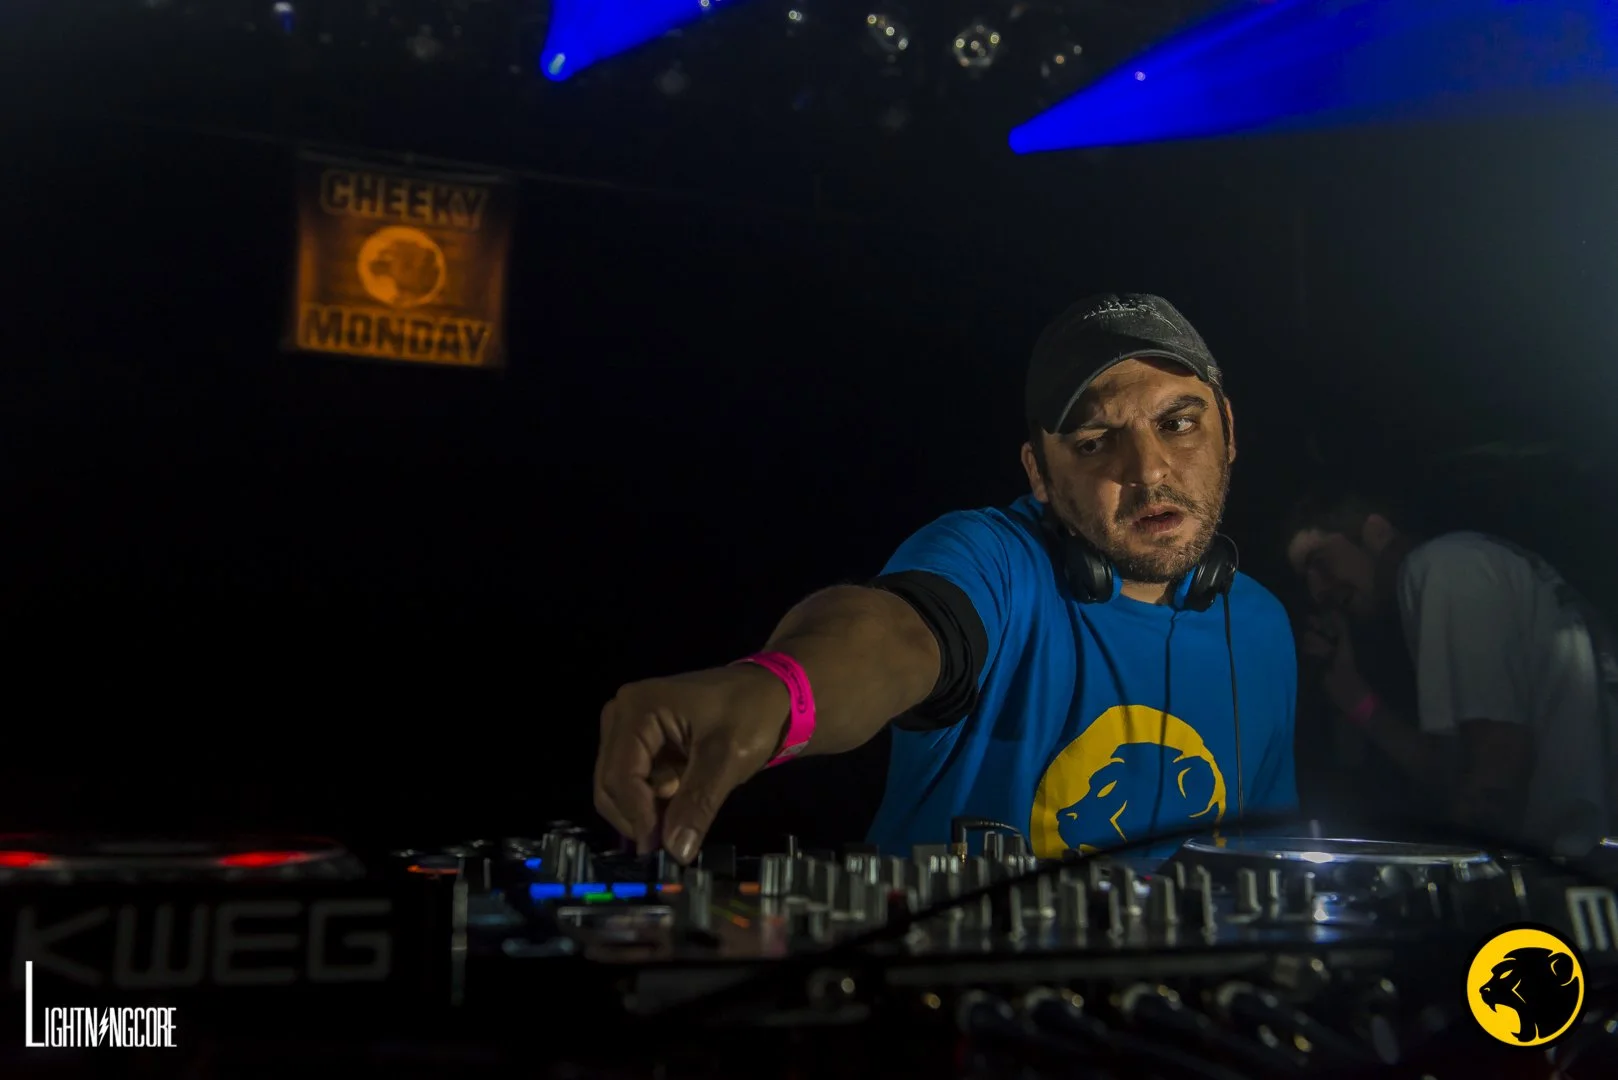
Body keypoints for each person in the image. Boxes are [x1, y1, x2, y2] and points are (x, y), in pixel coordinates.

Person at [595, 293, 1299, 865]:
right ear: (1039, 476)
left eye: (1179, 423)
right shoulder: (993, 557)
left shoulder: (1262, 627)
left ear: (1228, 430)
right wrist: (777, 690)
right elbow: (892, 631)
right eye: (1094, 442)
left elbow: (1266, 863)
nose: (1148, 470)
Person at [1284, 491, 1618, 855]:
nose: (1316, 590)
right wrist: (1355, 698)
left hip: (1568, 868)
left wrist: (1471, 886)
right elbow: (1454, 769)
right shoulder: (1477, 563)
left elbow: (1495, 766)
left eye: (1320, 562)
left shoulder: (1441, 566)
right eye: (1306, 578)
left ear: (1376, 531)